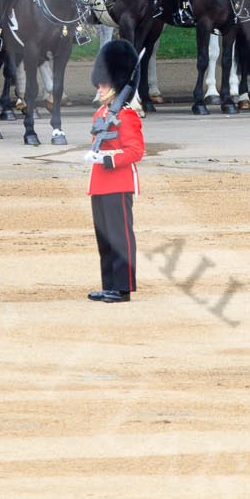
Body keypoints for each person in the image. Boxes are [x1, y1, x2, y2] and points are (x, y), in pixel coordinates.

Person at [84, 39, 145, 303]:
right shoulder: (100, 114)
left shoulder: (128, 115)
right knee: (105, 239)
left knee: (120, 237)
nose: (100, 87)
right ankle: (109, 283)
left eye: (105, 83)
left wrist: (109, 159)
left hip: (119, 182)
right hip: (99, 182)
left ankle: (123, 287)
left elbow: (136, 151)